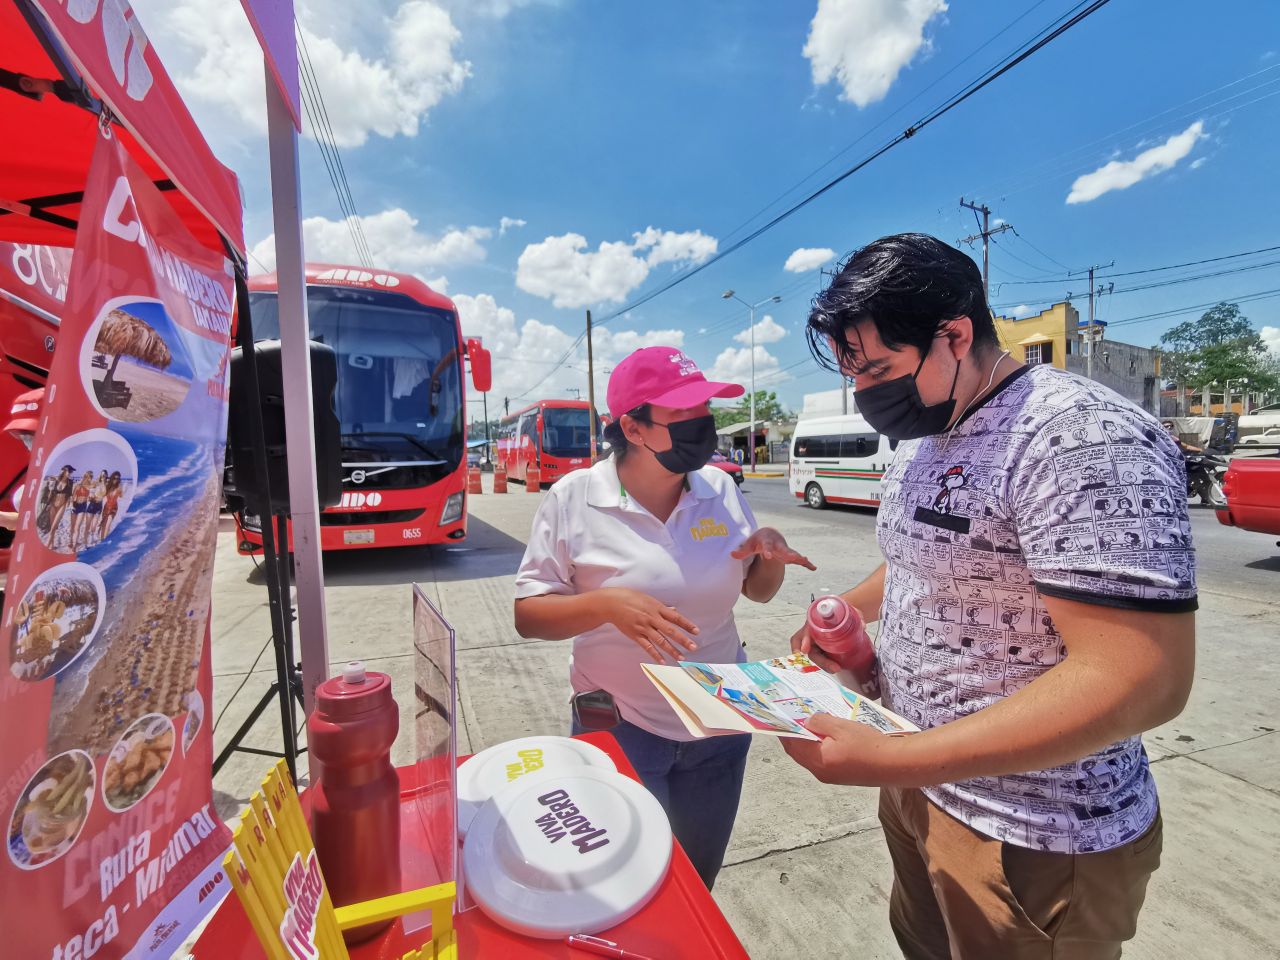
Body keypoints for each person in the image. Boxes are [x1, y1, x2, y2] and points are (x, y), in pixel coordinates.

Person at [784, 234, 1195, 959]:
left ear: (956, 334)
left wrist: (888, 762)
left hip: (1034, 834)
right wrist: (845, 611)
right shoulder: (929, 432)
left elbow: (1143, 677)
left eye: (879, 369)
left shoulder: (1077, 437)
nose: (867, 395)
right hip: (925, 790)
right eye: (855, 374)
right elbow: (927, 560)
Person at [513, 346, 815, 889]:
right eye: (683, 414)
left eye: (705, 410)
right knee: (619, 879)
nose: (704, 424)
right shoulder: (573, 499)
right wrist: (606, 605)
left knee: (697, 879)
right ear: (632, 426)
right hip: (622, 725)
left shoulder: (719, 489)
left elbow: (757, 592)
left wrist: (769, 555)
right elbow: (529, 615)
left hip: (720, 718)